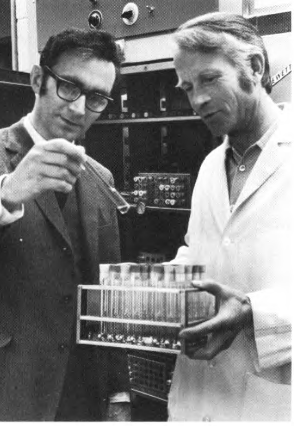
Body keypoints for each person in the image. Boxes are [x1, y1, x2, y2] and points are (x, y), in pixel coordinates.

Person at [0, 28, 131, 421]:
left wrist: (119, 391)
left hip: (82, 396)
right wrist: (5, 192)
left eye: (96, 98)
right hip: (4, 390)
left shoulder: (100, 178)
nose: (79, 109)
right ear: (38, 80)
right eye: (69, 87)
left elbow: (106, 293)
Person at [168, 12, 292, 421]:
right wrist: (162, 285)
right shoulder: (209, 167)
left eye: (208, 79)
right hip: (197, 398)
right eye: (187, 87)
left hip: (269, 399)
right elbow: (199, 250)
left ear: (253, 68)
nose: (196, 99)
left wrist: (253, 312)